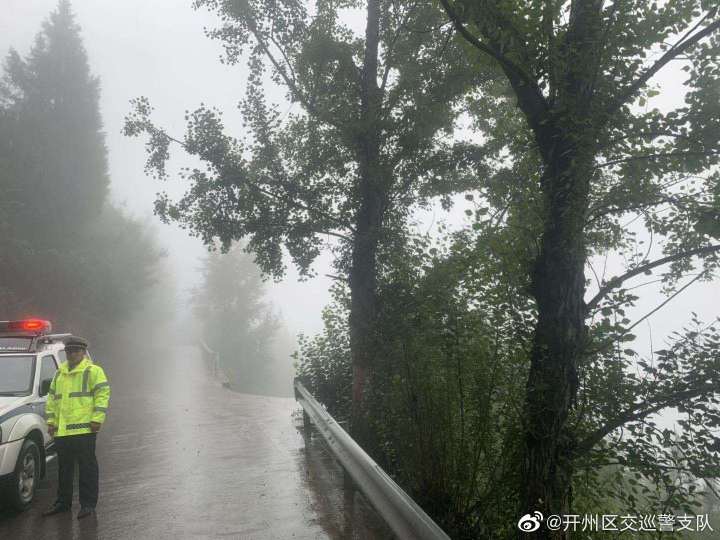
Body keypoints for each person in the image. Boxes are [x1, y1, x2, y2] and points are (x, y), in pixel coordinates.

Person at [42, 336, 110, 519]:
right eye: (69, 351)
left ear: (83, 352)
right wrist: (51, 422)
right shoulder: (59, 373)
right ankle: (63, 503)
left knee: (87, 468)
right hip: (62, 431)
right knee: (64, 469)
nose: (72, 354)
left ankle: (88, 505)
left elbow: (103, 394)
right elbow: (52, 399)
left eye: (75, 351)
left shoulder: (93, 371)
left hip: (84, 430)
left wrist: (97, 419)